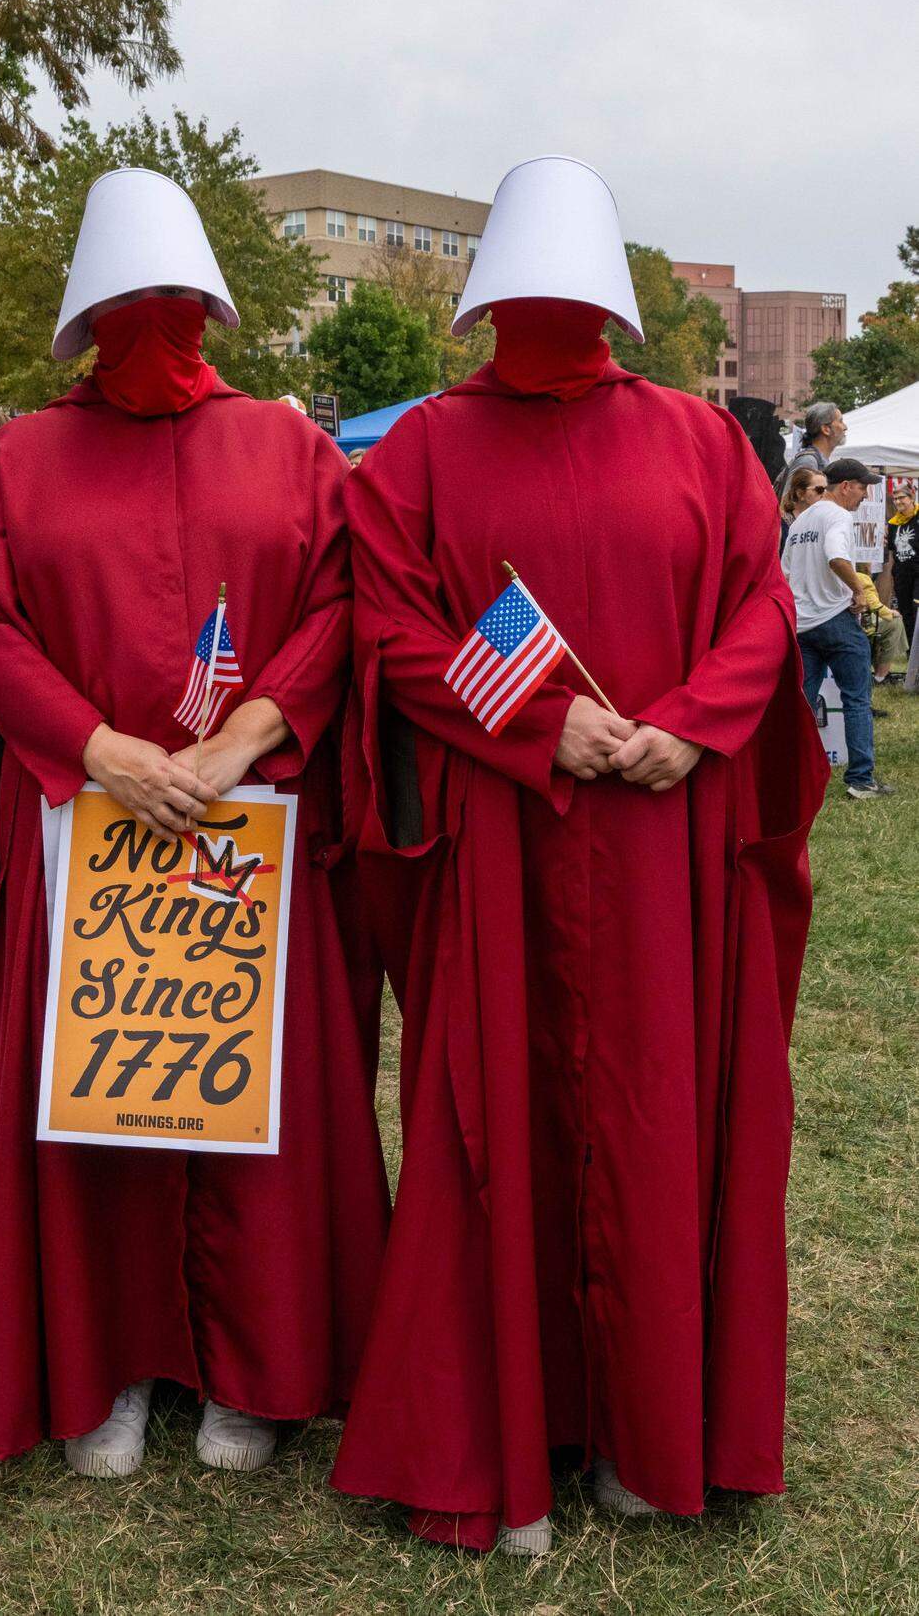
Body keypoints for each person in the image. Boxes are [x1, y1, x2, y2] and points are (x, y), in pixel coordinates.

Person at [332, 156, 829, 1556]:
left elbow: (755, 607)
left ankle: (649, 1421)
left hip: (668, 837)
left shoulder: (698, 439)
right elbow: (396, 629)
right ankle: (518, 1418)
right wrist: (546, 728)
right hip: (508, 839)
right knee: (502, 1108)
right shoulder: (422, 449)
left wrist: (687, 725)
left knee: (662, 1113)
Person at [0, 167, 389, 1483]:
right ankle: (106, 1352)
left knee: (253, 1104)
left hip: (251, 834)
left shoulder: (292, 449)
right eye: (127, 299)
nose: (152, 318)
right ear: (89, 308)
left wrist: (249, 734)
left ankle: (256, 1362)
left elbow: (345, 605)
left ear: (206, 303)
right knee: (96, 1099)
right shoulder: (18, 457)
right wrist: (103, 750)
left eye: (172, 297)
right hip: (86, 832)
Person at [782, 457, 892, 799]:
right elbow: (836, 556)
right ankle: (861, 780)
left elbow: (784, 573)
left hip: (803, 624)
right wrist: (857, 589)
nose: (864, 496)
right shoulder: (839, 516)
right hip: (835, 619)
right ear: (845, 486)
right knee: (857, 699)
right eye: (862, 488)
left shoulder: (799, 523)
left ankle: (790, 778)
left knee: (801, 704)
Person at [781, 400, 847, 504]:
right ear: (826, 429)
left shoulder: (818, 461)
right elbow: (786, 504)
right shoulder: (808, 462)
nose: (845, 427)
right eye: (840, 421)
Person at [853, 571, 908, 684]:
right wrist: (891, 612)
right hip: (857, 629)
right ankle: (880, 677)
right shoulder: (861, 577)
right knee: (895, 623)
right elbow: (874, 605)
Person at [886, 481, 918, 646]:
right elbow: (893, 554)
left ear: (911, 497)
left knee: (916, 609)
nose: (898, 502)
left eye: (901, 498)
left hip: (917, 574)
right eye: (895, 499)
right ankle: (912, 654)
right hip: (901, 576)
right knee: (906, 614)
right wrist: (892, 580)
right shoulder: (892, 524)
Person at [779, 465, 827, 550]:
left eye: (826, 490)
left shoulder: (824, 521)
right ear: (800, 493)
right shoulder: (781, 525)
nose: (824, 495)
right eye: (819, 490)